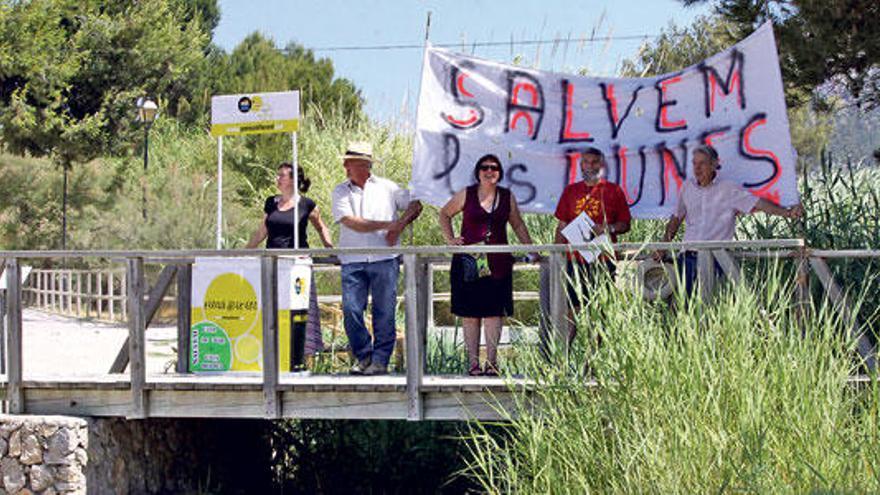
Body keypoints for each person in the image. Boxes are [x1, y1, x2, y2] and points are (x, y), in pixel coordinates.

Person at [656, 144, 803, 295]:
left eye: (702, 163)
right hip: (688, 257)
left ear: (714, 165)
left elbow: (759, 203)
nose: (697, 168)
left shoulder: (728, 189)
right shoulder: (687, 187)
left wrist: (787, 213)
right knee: (685, 304)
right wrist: (663, 245)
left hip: (716, 259)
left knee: (711, 305)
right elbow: (676, 218)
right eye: (695, 163)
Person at [439, 154, 536, 376]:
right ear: (478, 171)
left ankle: (491, 363)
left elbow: (518, 225)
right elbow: (444, 214)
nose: (489, 171)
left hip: (498, 263)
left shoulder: (507, 196)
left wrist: (532, 250)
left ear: (500, 173)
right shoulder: (467, 194)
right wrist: (451, 239)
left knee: (494, 313)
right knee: (470, 314)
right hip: (469, 263)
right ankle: (473, 363)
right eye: (485, 167)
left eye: (494, 168)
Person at [331, 141, 423, 376]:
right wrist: (388, 225)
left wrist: (399, 226)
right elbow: (352, 223)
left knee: (385, 311)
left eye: (349, 162)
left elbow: (416, 204)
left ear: (364, 165)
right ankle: (364, 355)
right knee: (351, 310)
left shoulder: (388, 187)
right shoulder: (340, 191)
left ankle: (380, 360)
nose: (345, 166)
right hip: (352, 259)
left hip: (384, 258)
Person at [246, 163, 333, 360]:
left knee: (299, 307)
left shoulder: (306, 204)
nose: (277, 179)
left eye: (281, 176)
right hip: (273, 263)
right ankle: (271, 350)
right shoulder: (271, 202)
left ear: (294, 180)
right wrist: (244, 251)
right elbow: (262, 231)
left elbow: (321, 227)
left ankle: (303, 353)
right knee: (271, 306)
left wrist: (330, 248)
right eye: (277, 176)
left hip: (296, 264)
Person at [552, 147, 631, 340]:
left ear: (602, 164)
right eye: (586, 162)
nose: (590, 166)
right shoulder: (570, 191)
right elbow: (562, 226)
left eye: (594, 162)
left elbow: (625, 224)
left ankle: (593, 366)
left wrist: (608, 228)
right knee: (570, 311)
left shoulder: (613, 190)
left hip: (602, 260)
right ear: (580, 165)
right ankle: (565, 364)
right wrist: (555, 254)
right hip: (574, 261)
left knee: (599, 312)